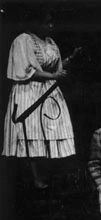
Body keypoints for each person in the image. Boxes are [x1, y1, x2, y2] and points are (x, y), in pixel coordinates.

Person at [2, 8, 81, 188]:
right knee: (31, 132)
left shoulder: (51, 42)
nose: (50, 25)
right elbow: (27, 70)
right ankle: (34, 177)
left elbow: (56, 69)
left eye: (51, 21)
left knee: (51, 131)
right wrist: (54, 77)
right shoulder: (23, 40)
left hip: (49, 92)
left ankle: (47, 175)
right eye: (46, 22)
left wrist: (69, 60)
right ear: (35, 23)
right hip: (29, 92)